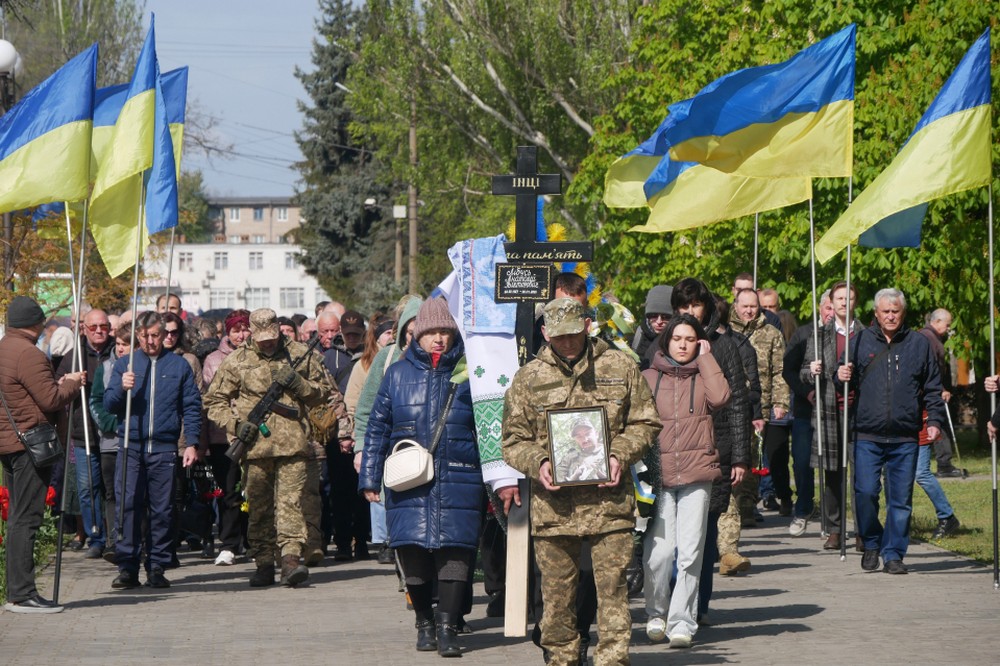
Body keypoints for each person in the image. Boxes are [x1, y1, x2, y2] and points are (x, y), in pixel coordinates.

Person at [502, 297, 660, 664]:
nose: (568, 343)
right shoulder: (529, 378)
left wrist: (619, 453)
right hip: (554, 509)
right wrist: (539, 461)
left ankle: (612, 659)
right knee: (556, 599)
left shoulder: (619, 366)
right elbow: (512, 440)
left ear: (587, 326)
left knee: (613, 593)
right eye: (559, 337)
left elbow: (646, 421)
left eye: (574, 334)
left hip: (610, 505)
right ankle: (562, 659)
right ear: (545, 333)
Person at [359, 297, 483, 657]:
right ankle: (424, 624)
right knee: (412, 552)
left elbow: (489, 428)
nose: (439, 339)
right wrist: (369, 477)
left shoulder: (470, 372)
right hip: (408, 481)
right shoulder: (398, 374)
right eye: (431, 332)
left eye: (445, 331)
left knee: (455, 554)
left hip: (460, 476)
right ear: (417, 335)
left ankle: (447, 628)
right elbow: (377, 428)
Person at [204, 308, 333, 588]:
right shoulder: (238, 360)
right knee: (259, 508)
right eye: (262, 339)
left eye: (272, 337)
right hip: (255, 448)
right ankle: (263, 563)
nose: (268, 343)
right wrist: (235, 425)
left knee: (291, 504)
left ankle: (290, 561)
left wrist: (299, 384)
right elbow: (214, 401)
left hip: (294, 445)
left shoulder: (299, 353)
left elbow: (324, 393)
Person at [837, 288, 945, 574]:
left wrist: (934, 421)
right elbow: (841, 381)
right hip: (867, 433)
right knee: (865, 492)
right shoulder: (858, 341)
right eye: (885, 311)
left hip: (905, 435)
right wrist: (840, 376)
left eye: (895, 311)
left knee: (900, 499)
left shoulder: (919, 344)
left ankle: (894, 553)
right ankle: (872, 542)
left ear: (903, 313)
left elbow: (933, 387)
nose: (890, 316)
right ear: (876, 313)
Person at [642, 314, 730, 647]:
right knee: (660, 553)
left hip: (697, 474)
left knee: (691, 553)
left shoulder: (705, 374)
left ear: (698, 342)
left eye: (690, 339)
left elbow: (721, 397)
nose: (682, 344)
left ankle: (682, 621)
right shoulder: (649, 378)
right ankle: (656, 612)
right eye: (677, 338)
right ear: (667, 341)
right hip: (659, 477)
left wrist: (706, 358)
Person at [103, 311, 202, 589]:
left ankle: (157, 565)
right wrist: (122, 388)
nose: (150, 341)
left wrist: (191, 442)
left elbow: (192, 407)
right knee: (128, 506)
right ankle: (127, 567)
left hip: (163, 448)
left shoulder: (179, 366)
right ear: (137, 336)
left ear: (163, 335)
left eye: (155, 335)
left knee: (162, 510)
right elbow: (109, 405)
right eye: (144, 336)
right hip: (130, 447)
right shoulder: (126, 364)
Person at [671, 279, 750, 618]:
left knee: (701, 537)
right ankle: (670, 603)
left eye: (695, 307)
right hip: (670, 452)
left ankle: (697, 606)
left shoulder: (723, 345)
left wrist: (740, 456)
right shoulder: (663, 345)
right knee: (669, 538)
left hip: (712, 450)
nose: (689, 313)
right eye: (683, 307)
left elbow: (737, 404)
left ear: (706, 309)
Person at [1, 297, 85, 613]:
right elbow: (50, 399)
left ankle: (18, 591)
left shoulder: (4, 348)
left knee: (18, 519)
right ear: (35, 323)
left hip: (10, 443)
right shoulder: (29, 353)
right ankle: (22, 594)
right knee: (27, 518)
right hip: (30, 446)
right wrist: (72, 384)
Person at [353, 296, 423, 566]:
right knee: (395, 507)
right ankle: (404, 566)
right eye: (411, 328)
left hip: (428, 446)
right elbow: (366, 408)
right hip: (393, 447)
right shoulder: (387, 357)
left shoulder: (442, 357)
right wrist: (361, 447)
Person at [804, 281, 863, 550]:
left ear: (855, 302)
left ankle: (864, 529)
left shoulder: (865, 333)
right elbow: (805, 372)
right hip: (830, 410)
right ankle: (835, 528)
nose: (843, 303)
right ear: (831, 302)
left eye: (848, 298)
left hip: (860, 412)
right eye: (839, 298)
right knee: (832, 474)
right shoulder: (819, 335)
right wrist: (813, 369)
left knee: (861, 474)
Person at [55, 308, 114, 560]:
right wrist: (69, 380)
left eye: (103, 326)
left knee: (113, 488)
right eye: (93, 327)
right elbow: (56, 386)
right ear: (84, 329)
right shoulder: (74, 355)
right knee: (88, 488)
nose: (99, 331)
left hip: (113, 433)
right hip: (84, 433)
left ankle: (115, 536)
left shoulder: (118, 349)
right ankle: (96, 536)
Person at [729, 288, 788, 527]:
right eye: (744, 306)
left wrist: (780, 402)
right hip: (731, 406)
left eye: (753, 306)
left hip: (759, 408)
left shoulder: (771, 333)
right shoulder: (726, 332)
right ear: (735, 306)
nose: (749, 310)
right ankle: (731, 505)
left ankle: (747, 506)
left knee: (753, 458)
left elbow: (779, 371)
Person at [201, 309, 252, 567]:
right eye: (236, 330)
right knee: (230, 491)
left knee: (255, 490)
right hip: (225, 435)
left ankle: (255, 540)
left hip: (256, 434)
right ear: (227, 333)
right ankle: (230, 543)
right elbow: (214, 395)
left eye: (245, 329)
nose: (242, 335)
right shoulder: (213, 360)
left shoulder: (260, 356)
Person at [784, 290, 834, 535]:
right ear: (821, 308)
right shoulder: (804, 334)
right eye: (828, 309)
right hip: (807, 410)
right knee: (803, 462)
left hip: (836, 412)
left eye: (837, 309)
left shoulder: (849, 335)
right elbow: (788, 370)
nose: (832, 314)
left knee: (833, 467)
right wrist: (807, 392)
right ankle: (803, 509)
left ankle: (832, 518)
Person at [918, 308, 965, 478]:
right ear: (937, 322)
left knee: (937, 423)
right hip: (930, 390)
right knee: (938, 422)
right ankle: (944, 464)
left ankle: (944, 463)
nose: (949, 328)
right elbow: (930, 368)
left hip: (931, 389)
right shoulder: (928, 338)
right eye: (947, 324)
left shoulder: (930, 337)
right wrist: (940, 389)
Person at [632, 284, 673, 364]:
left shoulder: (680, 338)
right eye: (653, 315)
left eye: (666, 317)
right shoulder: (637, 335)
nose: (659, 321)